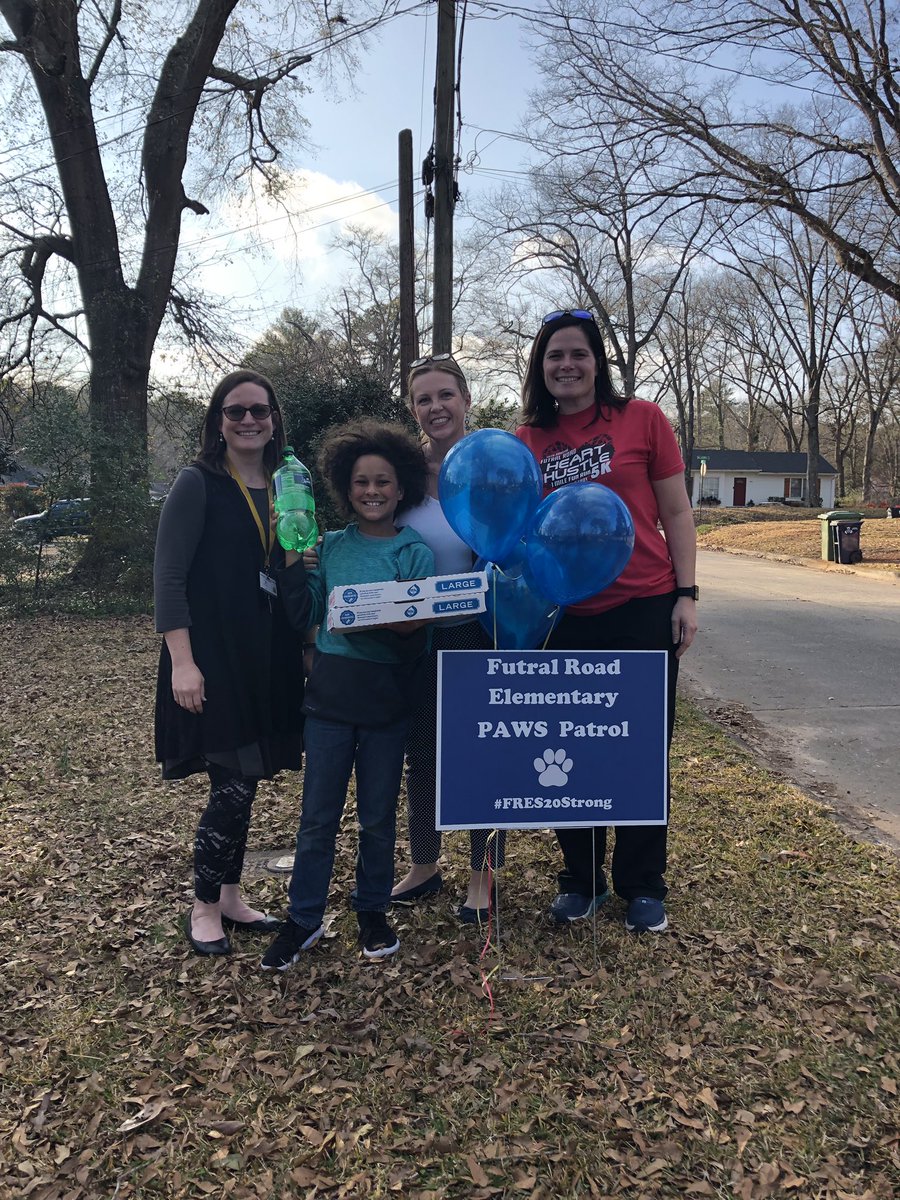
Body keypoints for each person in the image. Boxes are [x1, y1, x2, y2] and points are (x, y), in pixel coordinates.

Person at [515, 310, 697, 934]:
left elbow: (675, 511)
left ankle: (643, 884)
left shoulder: (643, 420)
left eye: (578, 354)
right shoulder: (525, 442)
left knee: (642, 749)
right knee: (564, 748)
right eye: (553, 356)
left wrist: (687, 593)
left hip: (643, 603)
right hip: (559, 614)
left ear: (598, 362)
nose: (566, 365)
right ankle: (582, 878)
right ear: (540, 369)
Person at [262, 421, 435, 971]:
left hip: (386, 703)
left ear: (401, 487)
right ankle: (303, 918)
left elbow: (416, 627)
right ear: (345, 488)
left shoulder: (415, 551)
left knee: (378, 818)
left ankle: (372, 911)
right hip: (331, 702)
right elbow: (308, 612)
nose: (372, 491)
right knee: (317, 818)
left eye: (383, 481)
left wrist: (372, 616)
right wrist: (292, 555)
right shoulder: (328, 546)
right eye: (361, 482)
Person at [154, 369, 305, 957]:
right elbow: (168, 579)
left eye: (259, 411)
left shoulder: (288, 486)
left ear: (274, 421)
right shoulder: (198, 483)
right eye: (235, 411)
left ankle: (232, 895)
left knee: (247, 779)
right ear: (218, 421)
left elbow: (294, 568)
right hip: (212, 657)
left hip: (266, 655)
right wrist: (182, 664)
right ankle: (204, 906)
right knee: (234, 784)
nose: (248, 421)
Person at [390, 354, 507, 923]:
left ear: (465, 400)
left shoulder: (492, 470)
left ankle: (482, 875)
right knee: (421, 751)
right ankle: (424, 863)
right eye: (423, 399)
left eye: (445, 395)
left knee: (480, 752)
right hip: (412, 633)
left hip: (474, 632)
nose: (435, 407)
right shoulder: (402, 474)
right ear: (412, 409)